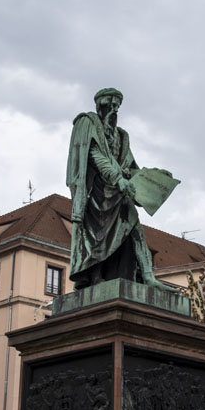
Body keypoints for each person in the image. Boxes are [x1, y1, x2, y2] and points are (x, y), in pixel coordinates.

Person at [66, 88, 174, 291]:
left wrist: (156, 175)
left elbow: (132, 168)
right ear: (99, 104)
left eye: (118, 105)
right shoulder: (87, 123)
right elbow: (95, 156)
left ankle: (148, 276)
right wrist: (118, 179)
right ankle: (95, 277)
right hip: (96, 193)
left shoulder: (122, 136)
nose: (115, 108)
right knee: (97, 236)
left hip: (119, 192)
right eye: (111, 103)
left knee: (135, 229)